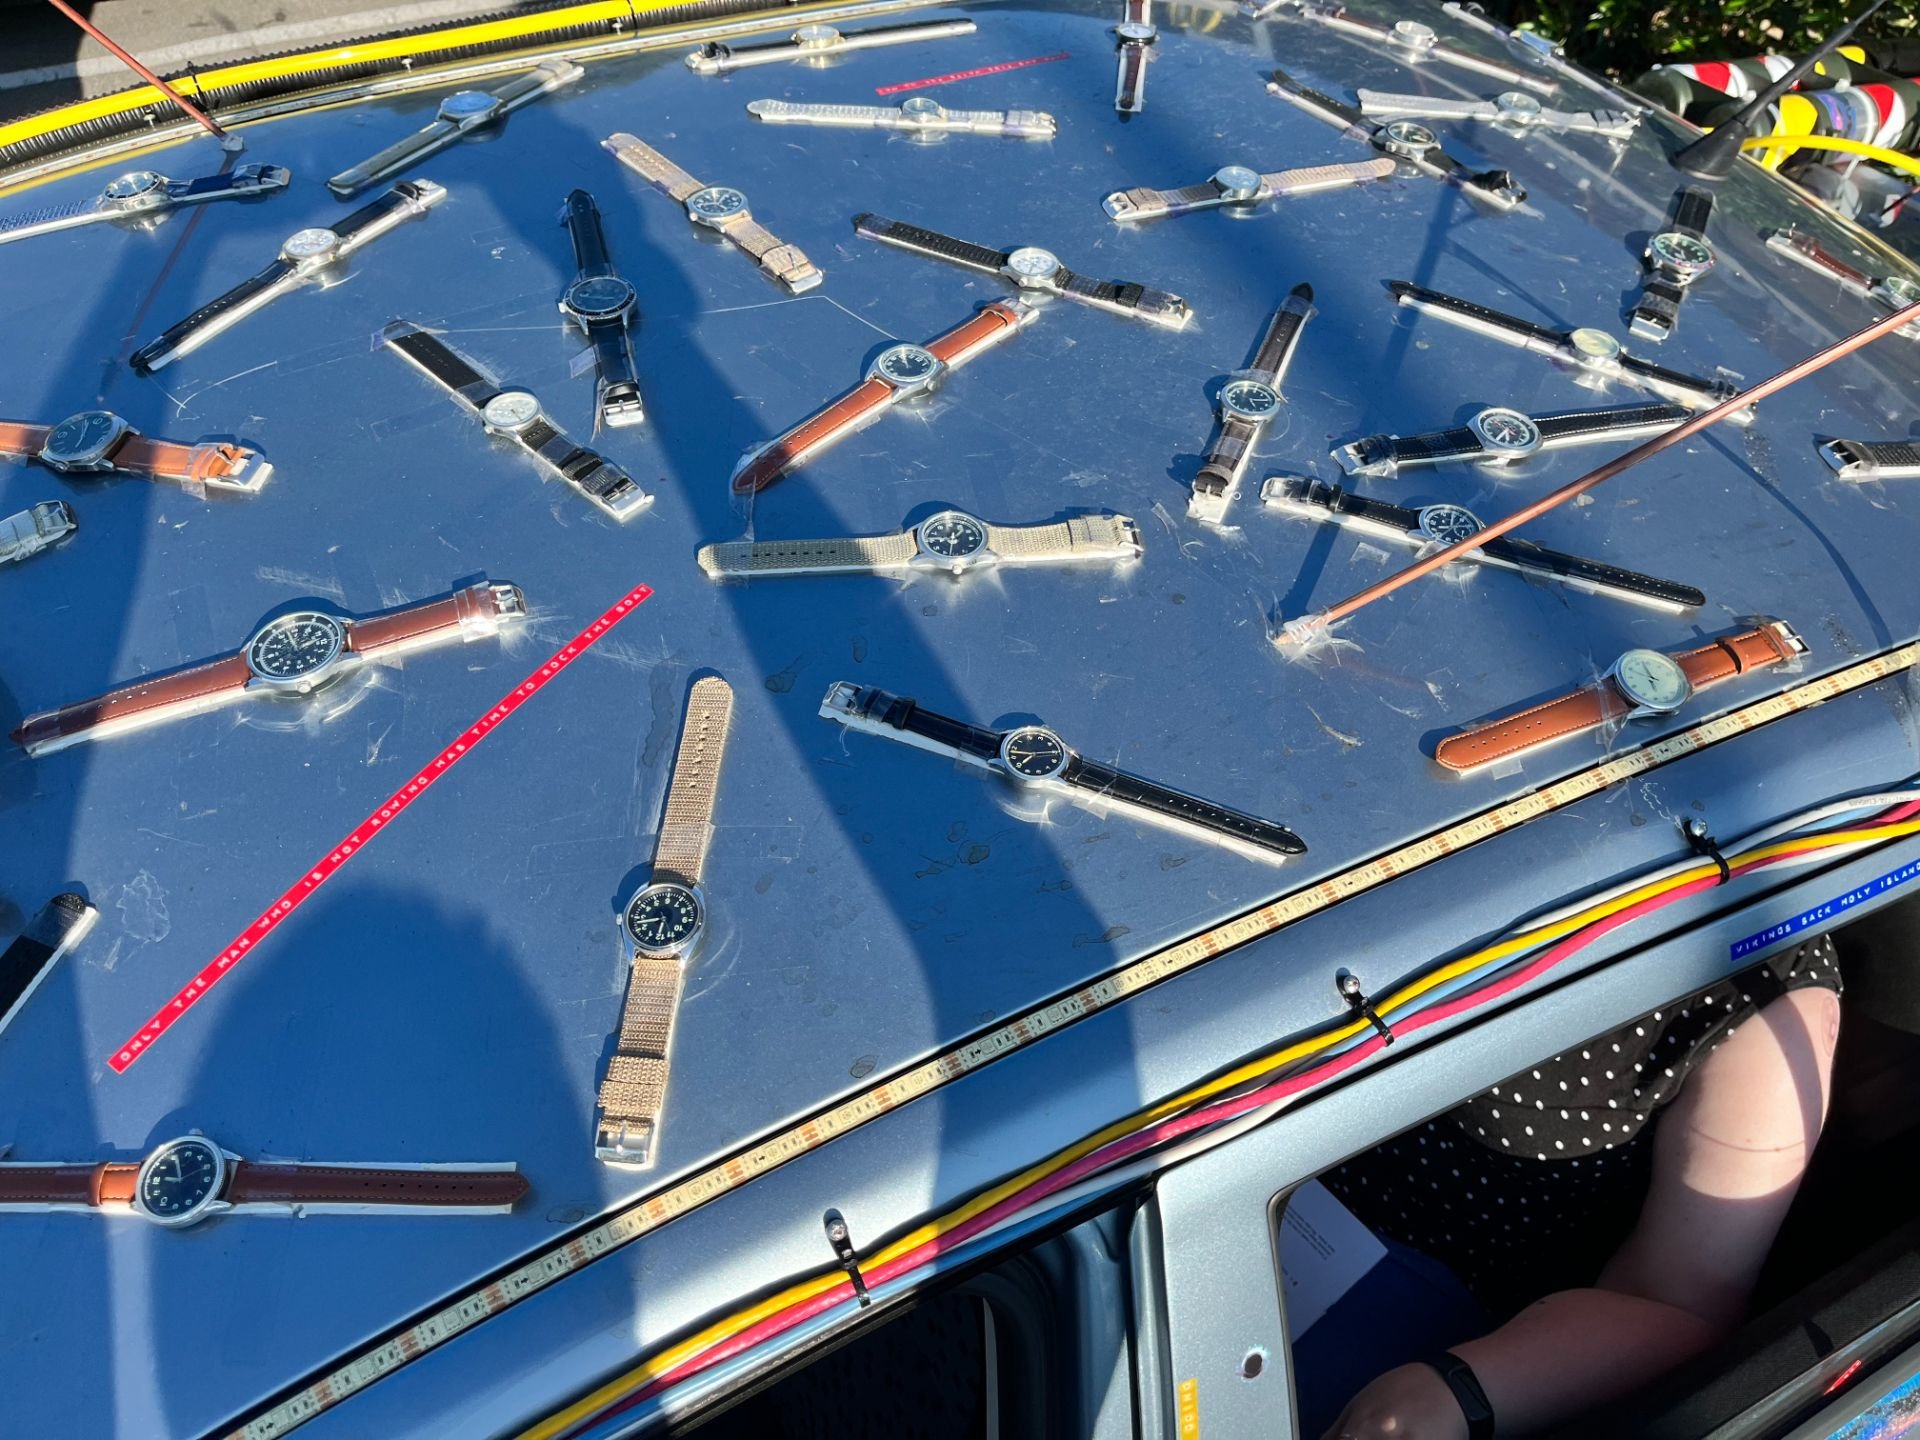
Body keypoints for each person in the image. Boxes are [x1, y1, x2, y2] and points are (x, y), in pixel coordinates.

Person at [1315, 934, 1843, 1440]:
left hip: (1447, 1343)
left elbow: (1683, 1301)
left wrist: (1455, 1395)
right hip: (1268, 1222)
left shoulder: (1763, 972)